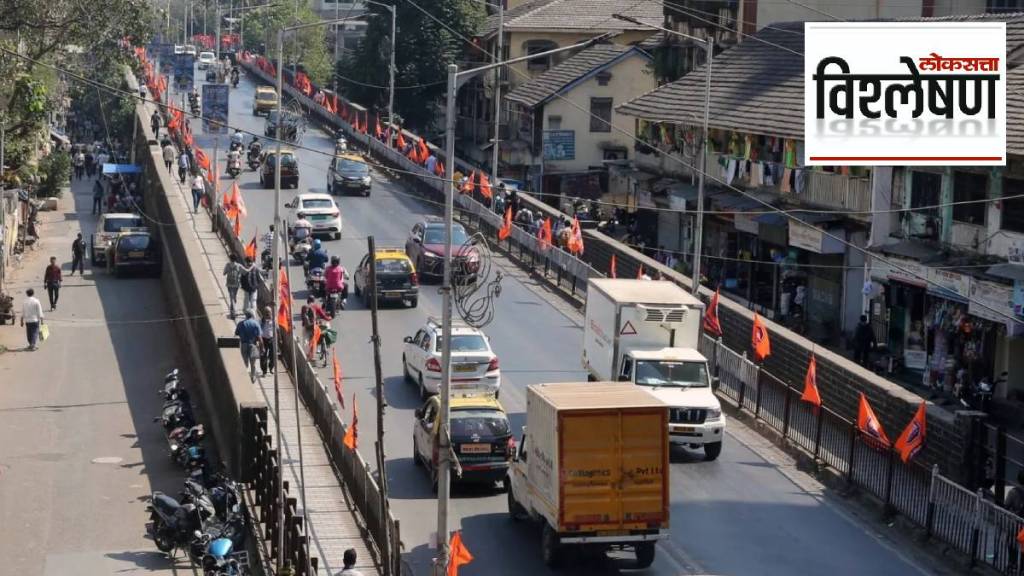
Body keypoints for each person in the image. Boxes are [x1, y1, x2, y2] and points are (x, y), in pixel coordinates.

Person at [234, 310, 262, 380]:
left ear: (246, 316)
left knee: (244, 362)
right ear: (252, 315)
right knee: (253, 363)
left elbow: (236, 333)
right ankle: (253, 376)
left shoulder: (240, 323)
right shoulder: (256, 324)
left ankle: (244, 376)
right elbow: (259, 337)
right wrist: (262, 347)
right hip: (253, 345)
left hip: (244, 345)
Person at [223, 253, 243, 318]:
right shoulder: (238, 265)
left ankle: (233, 312)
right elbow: (242, 273)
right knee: (234, 297)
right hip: (236, 283)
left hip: (229, 283)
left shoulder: (227, 265)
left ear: (230, 258)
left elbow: (224, 273)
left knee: (231, 298)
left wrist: (228, 271)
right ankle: (233, 312)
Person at [259, 306, 275, 376]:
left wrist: (280, 339)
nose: (268, 314)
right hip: (263, 340)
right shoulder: (260, 321)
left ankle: (271, 368)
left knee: (272, 355)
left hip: (271, 339)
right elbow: (258, 332)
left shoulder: (274, 321)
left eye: (269, 312)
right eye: (266, 313)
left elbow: (277, 330)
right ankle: (264, 371)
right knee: (263, 356)